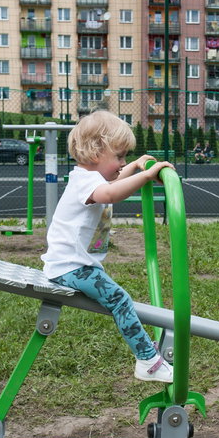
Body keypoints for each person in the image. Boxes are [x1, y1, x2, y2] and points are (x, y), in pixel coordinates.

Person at [42, 110, 175, 383]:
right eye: (119, 156)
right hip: (71, 267)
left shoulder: (88, 177)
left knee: (118, 298)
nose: (121, 162)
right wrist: (147, 176)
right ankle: (147, 361)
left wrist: (136, 165)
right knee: (120, 300)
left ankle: (148, 357)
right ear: (95, 152)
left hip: (71, 264)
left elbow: (112, 180)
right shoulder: (85, 182)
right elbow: (112, 192)